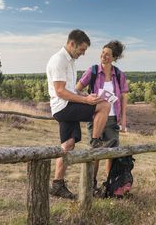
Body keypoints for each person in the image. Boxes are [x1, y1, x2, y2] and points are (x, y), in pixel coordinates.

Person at [46, 29, 114, 199]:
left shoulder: (69, 61)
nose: (83, 53)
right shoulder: (59, 60)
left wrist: (85, 96)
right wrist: (86, 101)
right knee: (104, 105)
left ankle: (57, 184)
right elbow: (60, 91)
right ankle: (96, 141)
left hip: (66, 105)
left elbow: (70, 90)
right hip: (63, 107)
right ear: (71, 44)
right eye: (82, 49)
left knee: (68, 144)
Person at [76, 40, 129, 193]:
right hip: (96, 118)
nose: (103, 56)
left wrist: (124, 118)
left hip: (113, 119)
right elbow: (77, 89)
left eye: (107, 54)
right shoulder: (92, 71)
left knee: (111, 153)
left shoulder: (119, 75)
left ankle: (109, 184)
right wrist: (88, 97)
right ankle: (91, 185)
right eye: (102, 53)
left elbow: (124, 97)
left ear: (114, 57)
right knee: (95, 153)